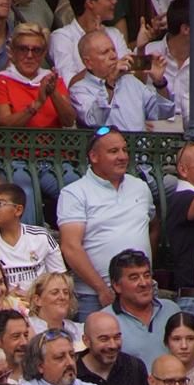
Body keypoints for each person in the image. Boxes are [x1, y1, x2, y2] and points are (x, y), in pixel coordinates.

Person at [58, 130, 156, 320]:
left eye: (124, 150)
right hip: (94, 296)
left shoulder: (141, 187)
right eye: (113, 151)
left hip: (140, 292)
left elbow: (153, 226)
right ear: (94, 156)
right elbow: (70, 247)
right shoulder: (75, 193)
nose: (122, 156)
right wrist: (102, 290)